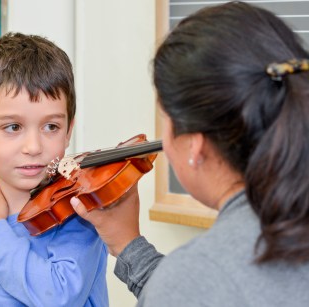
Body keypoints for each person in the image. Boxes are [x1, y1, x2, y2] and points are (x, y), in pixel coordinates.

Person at [70, 2, 309, 306]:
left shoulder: (192, 278)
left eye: (164, 119)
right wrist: (129, 245)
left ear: (195, 146)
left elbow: (195, 288)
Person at [0, 33, 108, 306]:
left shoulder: (79, 216)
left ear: (68, 131)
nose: (34, 146)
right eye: (13, 127)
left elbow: (59, 297)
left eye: (51, 126)